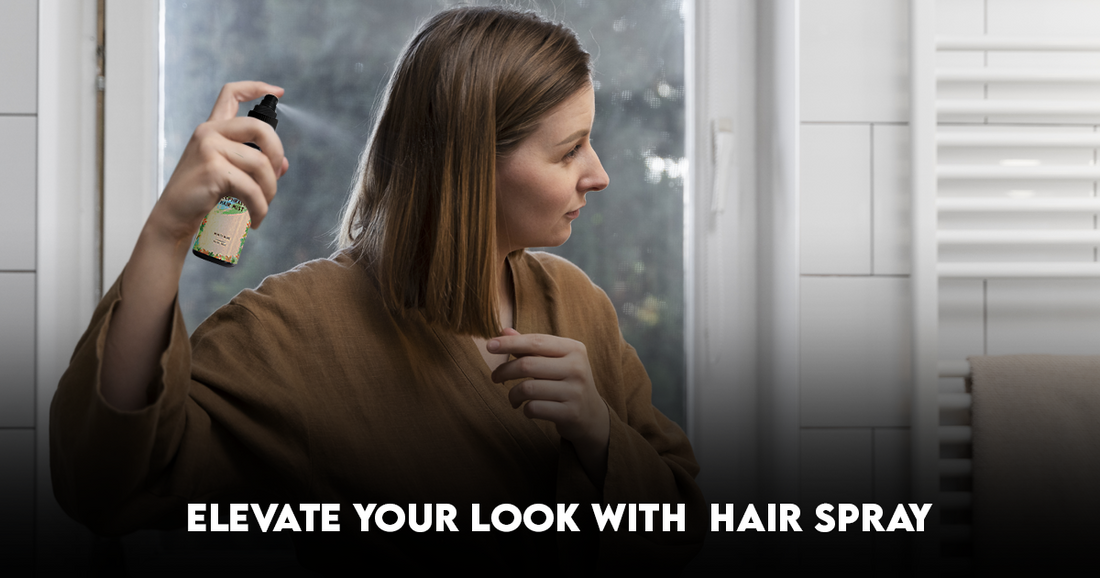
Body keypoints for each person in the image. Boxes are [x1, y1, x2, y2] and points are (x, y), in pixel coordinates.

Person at [51, 6, 705, 573]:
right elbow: (110, 488)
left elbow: (682, 527)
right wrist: (168, 231)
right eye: (568, 152)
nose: (600, 175)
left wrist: (600, 435)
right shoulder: (299, 331)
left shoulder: (577, 305)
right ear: (471, 166)